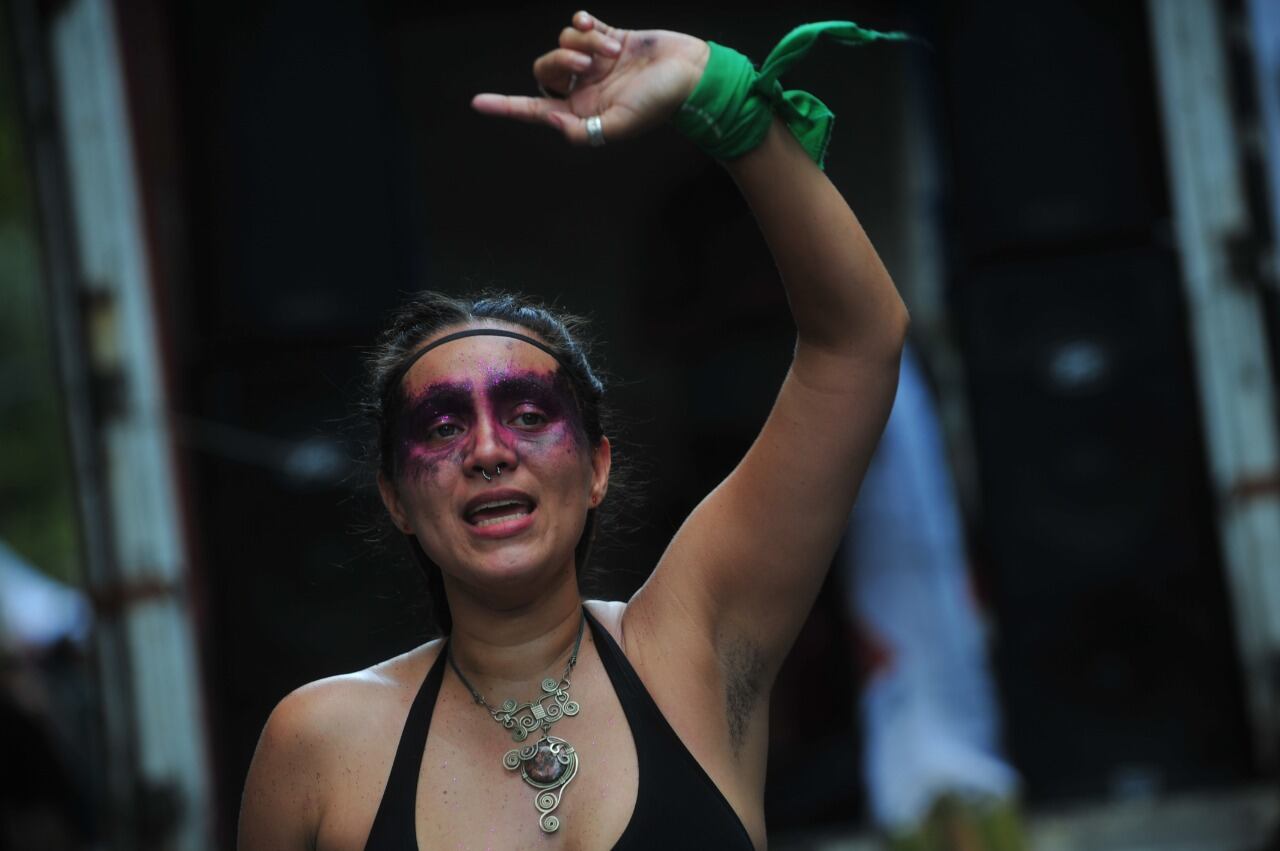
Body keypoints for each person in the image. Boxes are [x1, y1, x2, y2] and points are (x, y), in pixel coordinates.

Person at [239, 10, 908, 850]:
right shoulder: (319, 743)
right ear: (396, 497)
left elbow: (859, 344)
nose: (488, 450)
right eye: (442, 427)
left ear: (596, 465)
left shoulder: (693, 649)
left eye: (527, 413)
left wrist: (720, 95)